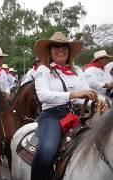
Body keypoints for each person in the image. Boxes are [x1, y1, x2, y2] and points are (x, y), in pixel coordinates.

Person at [31, 32, 104, 180]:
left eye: (64, 46)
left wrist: (96, 102)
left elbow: (86, 95)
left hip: (78, 114)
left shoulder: (77, 71)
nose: (61, 49)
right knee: (47, 151)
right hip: (52, 115)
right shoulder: (43, 70)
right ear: (49, 51)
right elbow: (43, 95)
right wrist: (73, 95)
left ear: (69, 51)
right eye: (56, 46)